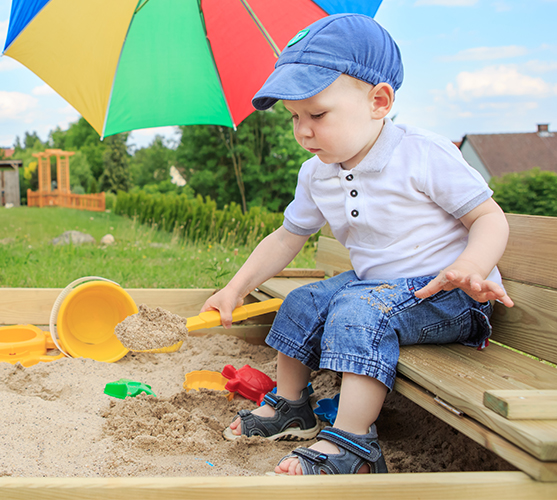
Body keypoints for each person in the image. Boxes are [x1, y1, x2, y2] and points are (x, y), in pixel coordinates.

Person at [202, 14, 513, 476]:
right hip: (378, 286)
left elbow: (489, 217)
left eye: (318, 114)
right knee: (304, 300)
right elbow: (289, 235)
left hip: (449, 296)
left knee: (358, 312)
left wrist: (471, 265)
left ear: (378, 101)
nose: (303, 131)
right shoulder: (317, 172)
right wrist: (237, 286)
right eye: (295, 118)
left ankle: (353, 443)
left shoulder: (421, 154)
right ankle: (291, 406)